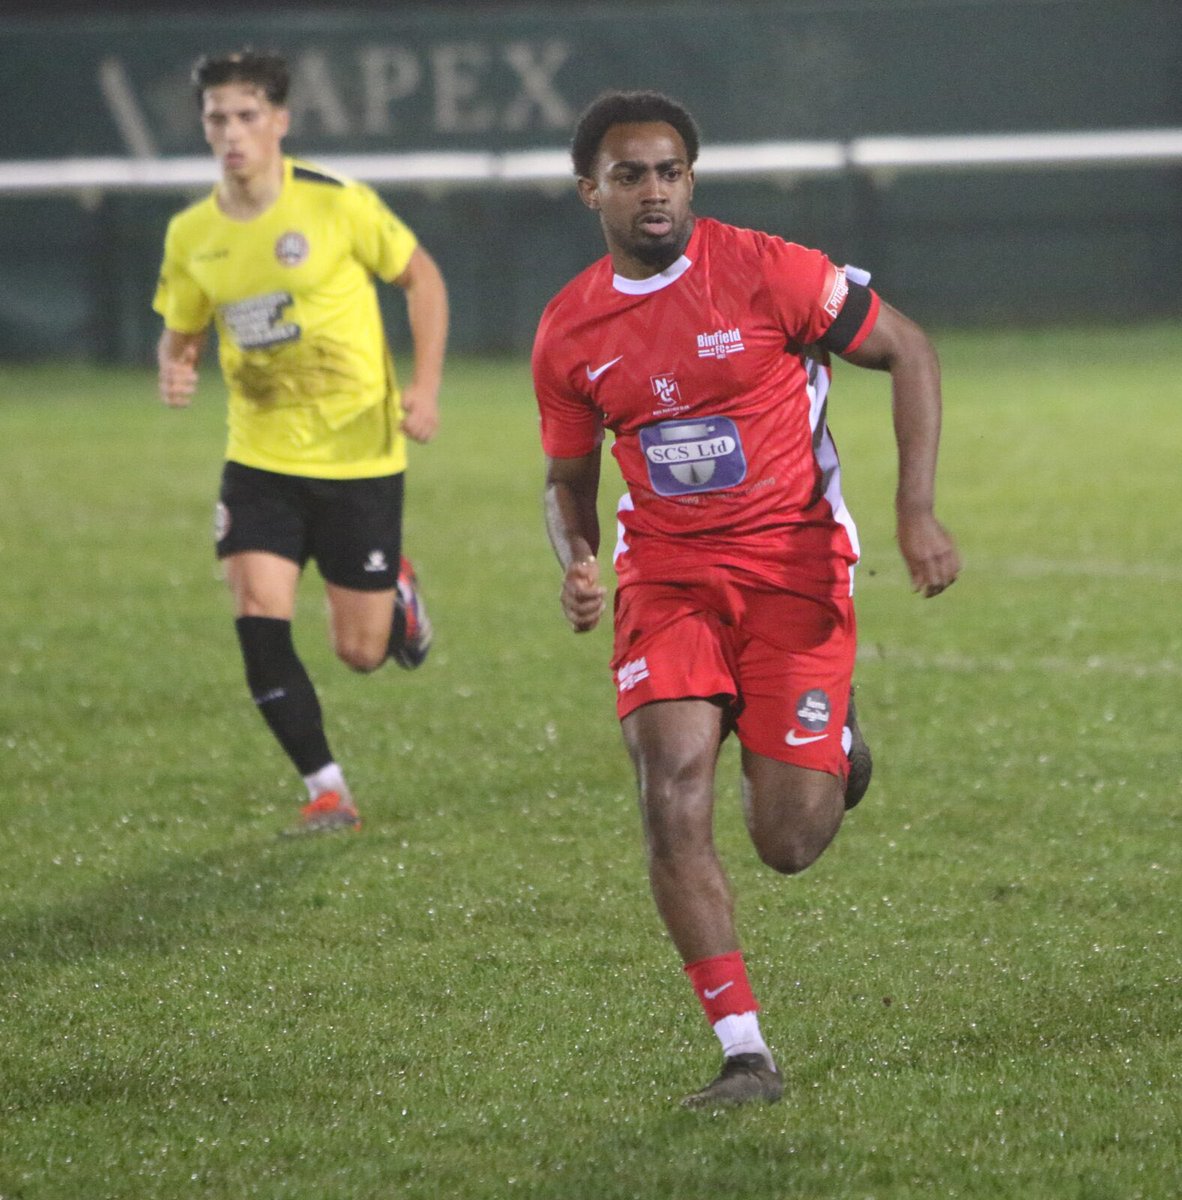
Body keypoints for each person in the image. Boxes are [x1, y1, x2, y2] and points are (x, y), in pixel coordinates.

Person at [533, 91, 961, 1108]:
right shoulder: (569, 328)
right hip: (668, 582)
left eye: (670, 171)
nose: (653, 190)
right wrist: (578, 557)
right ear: (590, 189)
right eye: (630, 173)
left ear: (692, 180)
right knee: (669, 793)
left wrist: (915, 512)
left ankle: (835, 750)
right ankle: (744, 1052)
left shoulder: (769, 270)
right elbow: (563, 480)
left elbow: (909, 349)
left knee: (788, 841)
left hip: (792, 576)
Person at [154, 50, 448, 835]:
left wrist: (424, 387)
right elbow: (179, 332)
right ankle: (328, 790)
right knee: (258, 612)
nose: (232, 132)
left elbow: (423, 279)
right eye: (218, 117)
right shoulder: (193, 234)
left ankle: (398, 593)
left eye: (247, 115)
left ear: (279, 121)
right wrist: (176, 368)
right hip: (260, 460)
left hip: (359, 458)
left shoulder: (337, 204)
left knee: (361, 651)